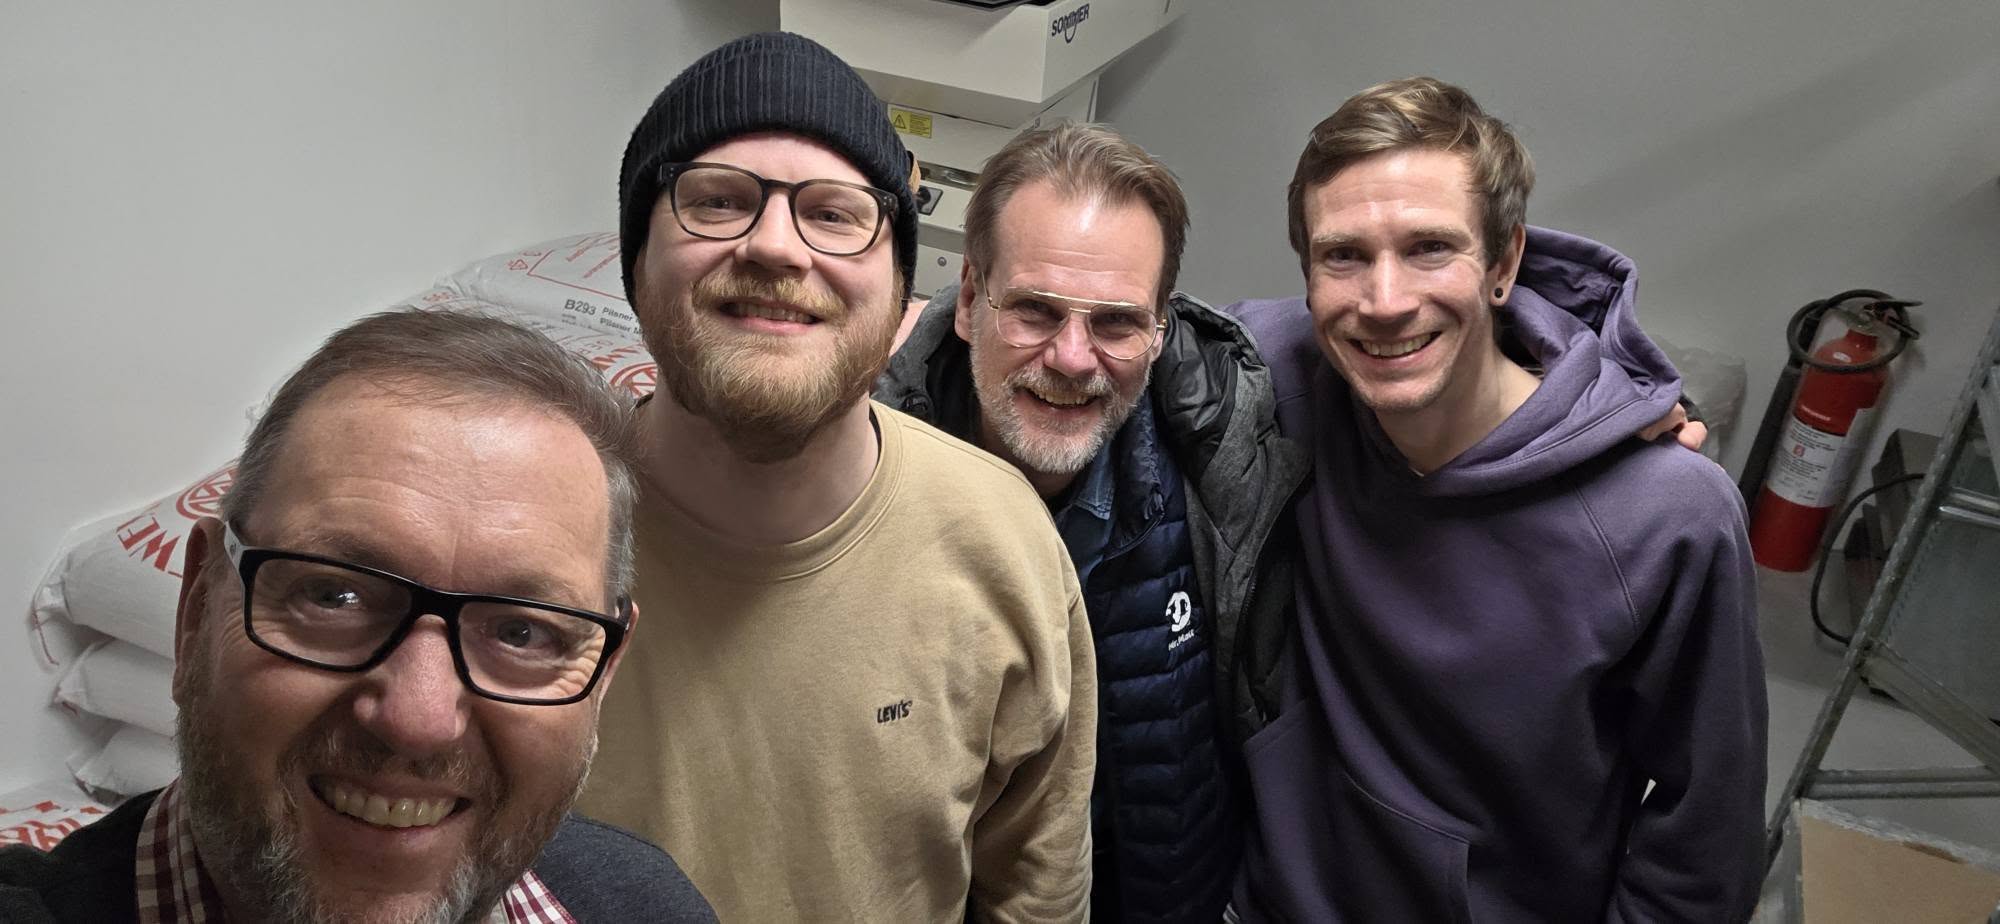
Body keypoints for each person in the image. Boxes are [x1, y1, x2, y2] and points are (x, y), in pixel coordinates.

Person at [575, 32, 1095, 922]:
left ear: (900, 295)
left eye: (835, 213)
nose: (776, 247)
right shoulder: (526, 543)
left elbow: (1034, 898)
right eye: (717, 200)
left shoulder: (1005, 547)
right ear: (635, 264)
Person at [1227, 77, 1767, 922]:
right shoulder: (1284, 372)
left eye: (1429, 248)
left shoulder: (1665, 517)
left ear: (1504, 263)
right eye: (1344, 256)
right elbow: (1108, 329)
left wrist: (1615, 416)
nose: (1385, 302)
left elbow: (1703, 851)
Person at [0, 309, 714, 923]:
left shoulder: (644, 903)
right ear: (197, 610)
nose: (417, 719)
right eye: (333, 596)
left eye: (521, 632)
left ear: (602, 677)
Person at [875, 122, 1305, 923]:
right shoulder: (862, 475)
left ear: (1161, 329)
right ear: (967, 299)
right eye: (1035, 311)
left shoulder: (1223, 464)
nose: (1073, 358)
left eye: (1115, 323)